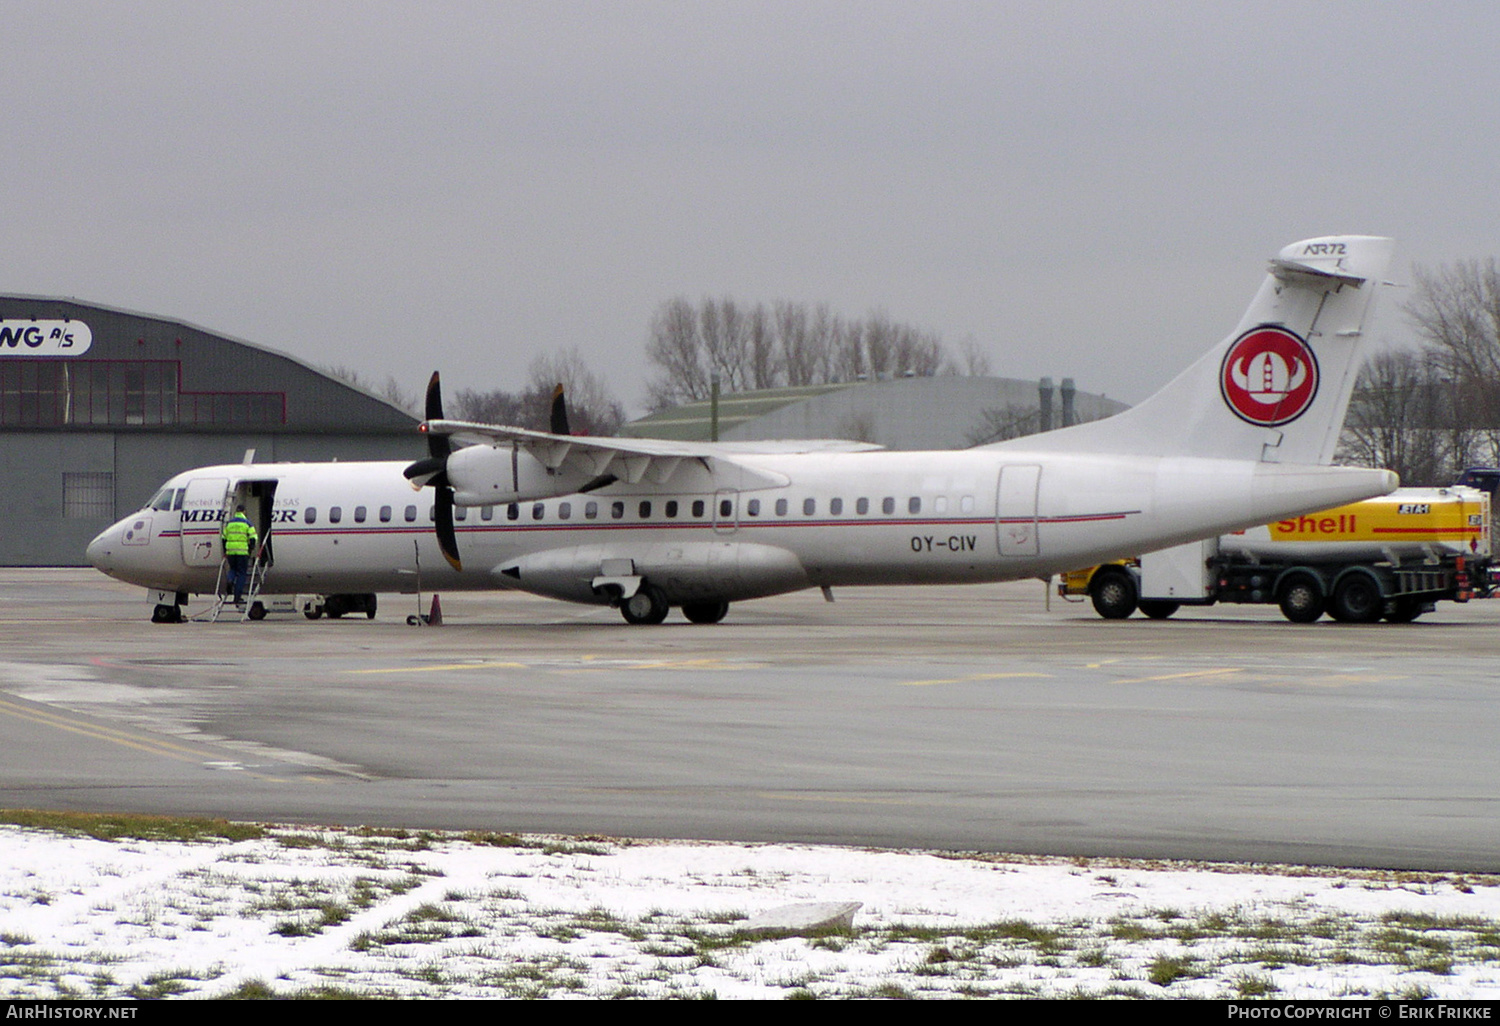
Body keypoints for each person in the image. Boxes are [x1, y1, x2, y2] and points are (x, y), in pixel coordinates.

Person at [220, 505, 258, 606]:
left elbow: (223, 538)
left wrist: (225, 551)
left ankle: (229, 580)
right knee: (241, 573)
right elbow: (253, 538)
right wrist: (250, 550)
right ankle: (237, 597)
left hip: (231, 552)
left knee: (233, 569)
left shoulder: (229, 524)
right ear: (244, 511)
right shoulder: (247, 523)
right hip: (242, 552)